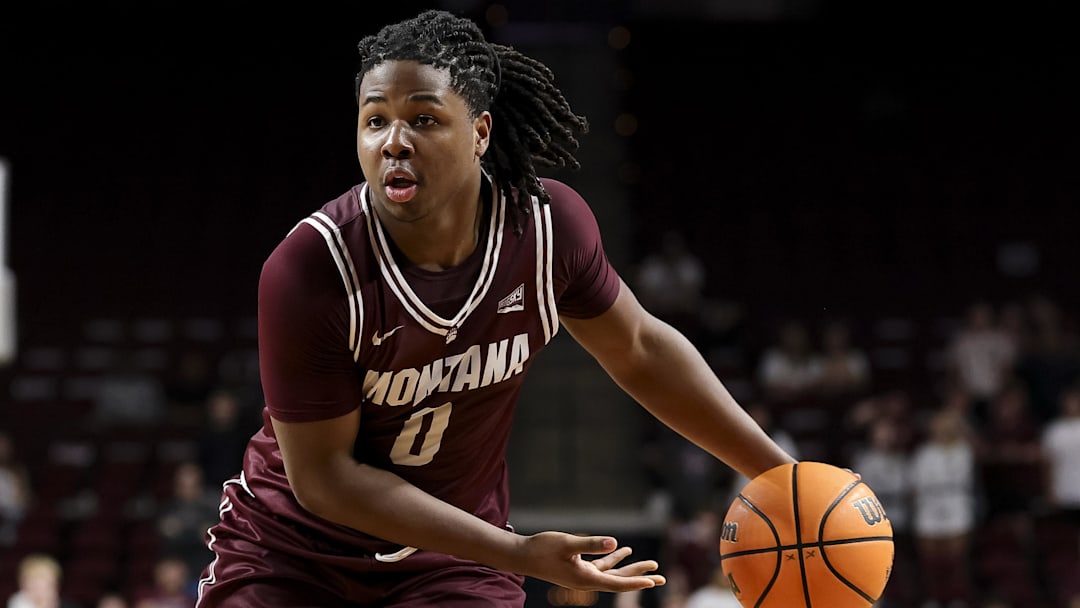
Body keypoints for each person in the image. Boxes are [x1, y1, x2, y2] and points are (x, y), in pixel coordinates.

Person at [195, 9, 797, 607]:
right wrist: (514, 552)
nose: (395, 142)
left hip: (450, 561)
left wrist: (784, 478)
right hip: (292, 554)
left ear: (480, 132)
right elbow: (325, 480)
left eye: (424, 119)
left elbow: (639, 350)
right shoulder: (312, 267)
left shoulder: (546, 228)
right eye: (374, 120)